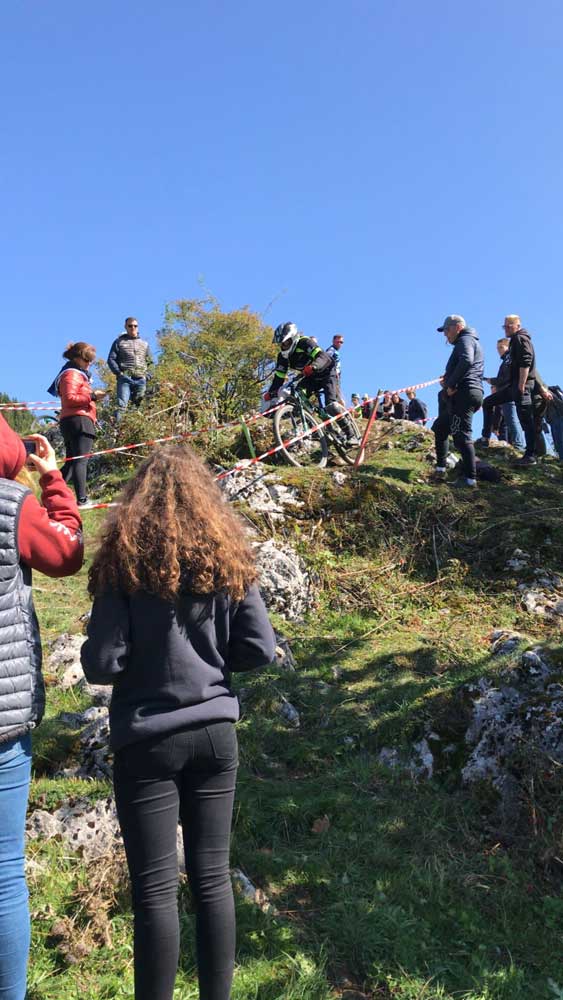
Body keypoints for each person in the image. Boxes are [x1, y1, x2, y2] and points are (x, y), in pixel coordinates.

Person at [81, 445, 276, 1000]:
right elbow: (260, 648)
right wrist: (212, 663)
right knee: (213, 879)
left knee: (154, 891)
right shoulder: (228, 557)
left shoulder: (123, 562)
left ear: (135, 502)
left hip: (146, 739)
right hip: (214, 734)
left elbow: (102, 663)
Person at [0, 416, 83, 1000]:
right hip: (3, 715)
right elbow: (67, 552)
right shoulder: (12, 506)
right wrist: (53, 479)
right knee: (4, 869)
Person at [264, 323, 360, 444]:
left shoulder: (305, 342)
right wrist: (271, 393)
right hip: (310, 378)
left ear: (293, 338)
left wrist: (314, 366)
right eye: (281, 343)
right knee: (297, 397)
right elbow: (279, 377)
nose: (283, 346)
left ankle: (351, 435)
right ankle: (317, 428)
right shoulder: (282, 357)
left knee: (331, 405)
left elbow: (324, 357)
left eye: (286, 342)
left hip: (327, 373)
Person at [481, 316, 550, 466]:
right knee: (488, 402)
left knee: (525, 419)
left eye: (509, 326)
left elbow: (526, 362)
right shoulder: (514, 342)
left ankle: (530, 455)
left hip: (521, 387)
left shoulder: (520, 338)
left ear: (517, 326)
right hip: (513, 387)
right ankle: (485, 438)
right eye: (504, 326)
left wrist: (522, 384)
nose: (506, 328)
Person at [47, 341, 107, 507]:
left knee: (72, 463)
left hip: (74, 420)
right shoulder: (71, 374)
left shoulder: (73, 374)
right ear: (77, 358)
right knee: (81, 460)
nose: (89, 364)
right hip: (79, 421)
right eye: (87, 360)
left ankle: (50, 495)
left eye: (91, 361)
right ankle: (82, 500)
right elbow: (70, 399)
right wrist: (92, 396)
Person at [431, 315, 484, 488]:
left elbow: (467, 360)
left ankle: (470, 480)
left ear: (458, 327)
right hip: (467, 392)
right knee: (440, 427)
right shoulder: (467, 340)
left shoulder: (465, 340)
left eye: (447, 330)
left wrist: (451, 384)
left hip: (464, 392)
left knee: (462, 435)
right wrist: (448, 380)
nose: (445, 334)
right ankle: (441, 468)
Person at [477, 338, 525, 450]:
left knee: (512, 419)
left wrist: (493, 381)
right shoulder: (506, 360)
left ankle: (519, 445)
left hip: (509, 392)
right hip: (505, 392)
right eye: (497, 348)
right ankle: (486, 437)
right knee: (507, 417)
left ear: (508, 347)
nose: (499, 350)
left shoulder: (509, 359)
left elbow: (506, 378)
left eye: (501, 347)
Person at [107, 318, 154, 422]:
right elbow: (111, 359)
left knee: (138, 406)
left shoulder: (144, 344)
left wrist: (147, 376)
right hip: (125, 378)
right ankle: (119, 429)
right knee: (122, 405)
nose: (133, 328)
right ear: (125, 327)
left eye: (135, 326)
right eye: (130, 326)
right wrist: (119, 373)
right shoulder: (119, 342)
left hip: (141, 379)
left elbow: (150, 362)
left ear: (138, 327)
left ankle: (135, 427)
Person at [325, 334, 346, 405]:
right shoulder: (331, 350)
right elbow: (326, 359)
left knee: (338, 396)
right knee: (335, 396)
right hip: (332, 376)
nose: (340, 344)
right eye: (338, 342)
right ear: (333, 341)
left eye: (341, 342)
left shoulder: (335, 351)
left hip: (336, 376)